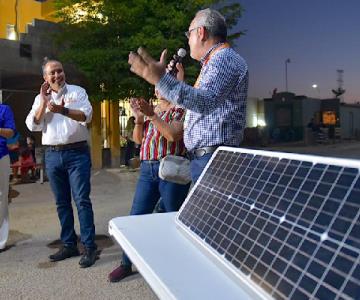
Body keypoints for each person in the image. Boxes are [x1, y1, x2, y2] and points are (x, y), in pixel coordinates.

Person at [128, 8, 248, 183]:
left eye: (189, 33)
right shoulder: (213, 62)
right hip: (207, 158)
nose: (188, 39)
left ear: (201, 32)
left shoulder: (223, 59)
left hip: (214, 160)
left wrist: (161, 80)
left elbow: (206, 101)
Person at [108, 89, 191, 282]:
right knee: (136, 217)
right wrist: (138, 118)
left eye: (162, 83)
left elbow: (173, 135)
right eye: (156, 85)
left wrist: (152, 115)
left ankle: (177, 267)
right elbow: (138, 140)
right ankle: (126, 264)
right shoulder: (150, 110)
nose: (158, 89)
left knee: (173, 220)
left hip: (171, 168)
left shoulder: (180, 109)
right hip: (147, 169)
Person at [25, 58, 97, 268]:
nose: (57, 75)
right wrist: (44, 104)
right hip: (53, 155)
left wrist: (61, 110)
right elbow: (33, 124)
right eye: (52, 73)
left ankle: (89, 246)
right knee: (61, 202)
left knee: (82, 200)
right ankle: (69, 244)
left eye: (60, 71)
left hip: (77, 153)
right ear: (45, 78)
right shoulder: (40, 99)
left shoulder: (77, 92)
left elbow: (87, 116)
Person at [0, 104, 16, 251]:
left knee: (1, 198)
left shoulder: (4, 109)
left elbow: (10, 132)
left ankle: (0, 241)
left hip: (0, 156)